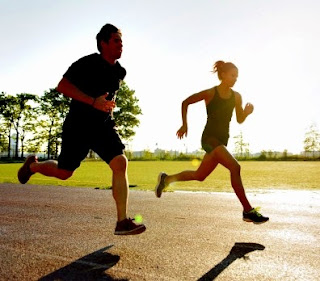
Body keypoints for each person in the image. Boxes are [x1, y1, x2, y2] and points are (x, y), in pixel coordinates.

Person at [18, 23, 146, 235]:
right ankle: (33, 167)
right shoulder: (87, 63)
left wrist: (107, 110)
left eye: (122, 41)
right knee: (65, 172)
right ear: (103, 43)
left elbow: (108, 98)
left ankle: (122, 221)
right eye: (116, 40)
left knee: (120, 162)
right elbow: (62, 86)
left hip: (102, 126)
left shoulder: (119, 71)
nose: (121, 44)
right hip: (78, 126)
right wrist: (92, 102)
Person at [155, 60, 269, 224]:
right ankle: (247, 210)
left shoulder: (237, 96)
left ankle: (166, 179)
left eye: (237, 76)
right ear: (223, 74)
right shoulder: (210, 93)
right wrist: (185, 124)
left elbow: (239, 119)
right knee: (235, 167)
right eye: (232, 75)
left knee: (199, 175)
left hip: (223, 140)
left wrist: (247, 113)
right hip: (210, 138)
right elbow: (185, 102)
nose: (235, 79)